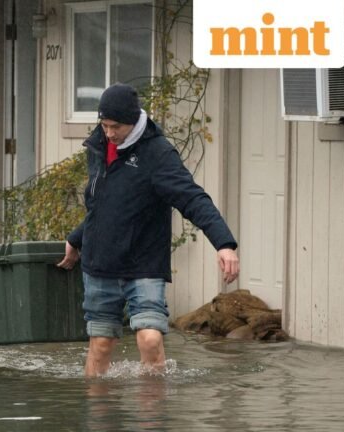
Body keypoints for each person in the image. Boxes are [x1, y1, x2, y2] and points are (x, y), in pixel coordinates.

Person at [57, 83, 239, 378]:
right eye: (104, 125)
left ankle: (153, 407)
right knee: (101, 346)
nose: (109, 133)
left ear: (133, 121)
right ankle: (98, 407)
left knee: (150, 340)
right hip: (101, 263)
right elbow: (103, 205)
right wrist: (76, 240)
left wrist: (224, 243)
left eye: (116, 126)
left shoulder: (158, 154)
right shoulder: (98, 147)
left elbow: (193, 198)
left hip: (143, 264)